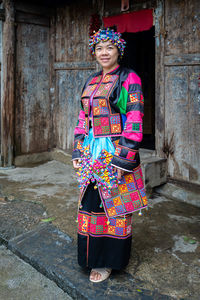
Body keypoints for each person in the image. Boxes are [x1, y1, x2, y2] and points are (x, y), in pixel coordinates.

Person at [72, 28, 147, 283]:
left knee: (113, 206)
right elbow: (84, 117)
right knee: (90, 204)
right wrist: (78, 149)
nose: (104, 53)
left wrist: (122, 158)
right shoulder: (91, 81)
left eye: (109, 48)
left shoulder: (129, 79)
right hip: (91, 154)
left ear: (119, 51)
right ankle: (91, 257)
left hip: (115, 151)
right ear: (94, 52)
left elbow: (135, 119)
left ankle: (109, 261)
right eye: (99, 48)